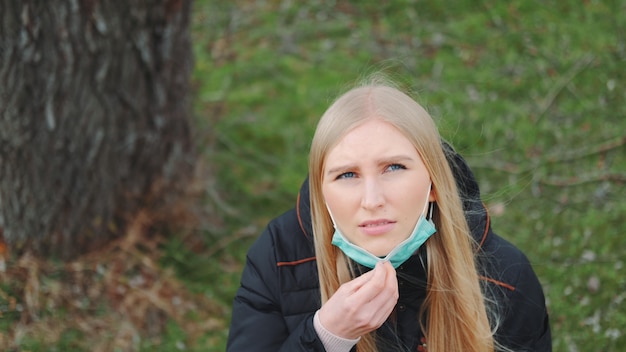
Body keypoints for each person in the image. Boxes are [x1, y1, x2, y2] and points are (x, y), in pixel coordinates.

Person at [226, 79, 551, 352]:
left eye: (394, 168)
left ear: (434, 181)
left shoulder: (505, 276)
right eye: (347, 175)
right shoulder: (279, 256)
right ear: (322, 193)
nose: (372, 200)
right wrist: (327, 336)